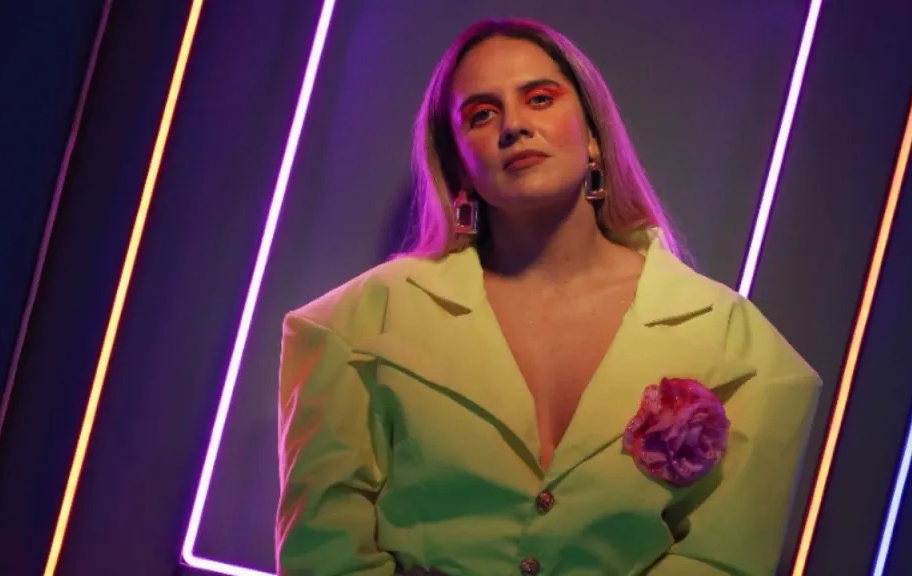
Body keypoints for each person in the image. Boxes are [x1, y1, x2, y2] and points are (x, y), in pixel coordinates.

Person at [276, 17, 821, 576]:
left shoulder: (740, 347)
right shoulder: (353, 328)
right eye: (481, 115)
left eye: (539, 98)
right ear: (458, 162)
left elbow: (721, 561)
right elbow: (326, 556)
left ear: (593, 135)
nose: (514, 126)